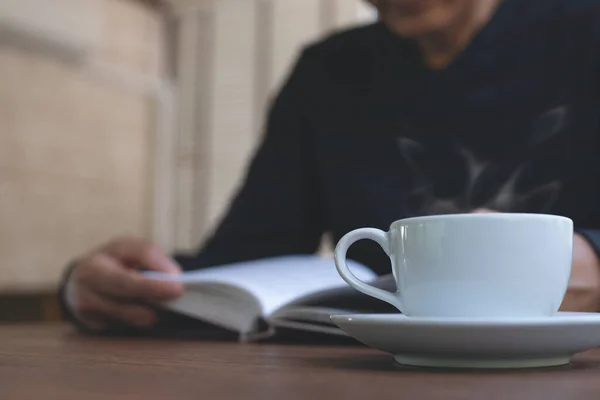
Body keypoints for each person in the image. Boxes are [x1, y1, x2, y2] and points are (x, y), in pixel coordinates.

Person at [60, 0, 600, 333]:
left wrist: (594, 261)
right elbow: (249, 258)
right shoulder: (328, 72)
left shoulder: (585, 31)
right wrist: (106, 285)